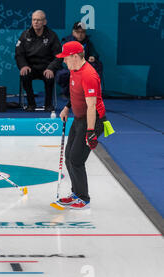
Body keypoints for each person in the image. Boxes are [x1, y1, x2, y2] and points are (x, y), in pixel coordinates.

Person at [56, 41, 107, 209]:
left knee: (77, 159)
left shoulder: (89, 75)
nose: (64, 61)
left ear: (75, 56)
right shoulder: (74, 69)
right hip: (79, 119)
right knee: (69, 157)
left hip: (92, 120)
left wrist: (91, 132)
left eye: (66, 58)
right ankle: (76, 194)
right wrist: (67, 107)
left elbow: (92, 106)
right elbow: (77, 93)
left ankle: (83, 198)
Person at [15, 10, 62, 112]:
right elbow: (19, 54)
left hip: (46, 67)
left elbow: (59, 56)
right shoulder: (25, 35)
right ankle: (31, 104)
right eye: (34, 20)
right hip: (30, 67)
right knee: (24, 75)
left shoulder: (52, 36)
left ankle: (48, 105)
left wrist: (51, 68)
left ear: (44, 22)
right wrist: (23, 66)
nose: (35, 22)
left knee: (49, 77)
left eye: (38, 20)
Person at [56, 22, 103, 98]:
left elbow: (94, 53)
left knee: (97, 65)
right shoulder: (67, 41)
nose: (80, 34)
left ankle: (90, 92)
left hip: (83, 66)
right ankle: (67, 93)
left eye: (83, 32)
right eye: (78, 32)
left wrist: (93, 57)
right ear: (73, 32)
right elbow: (62, 59)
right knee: (63, 73)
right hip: (69, 67)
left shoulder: (87, 43)